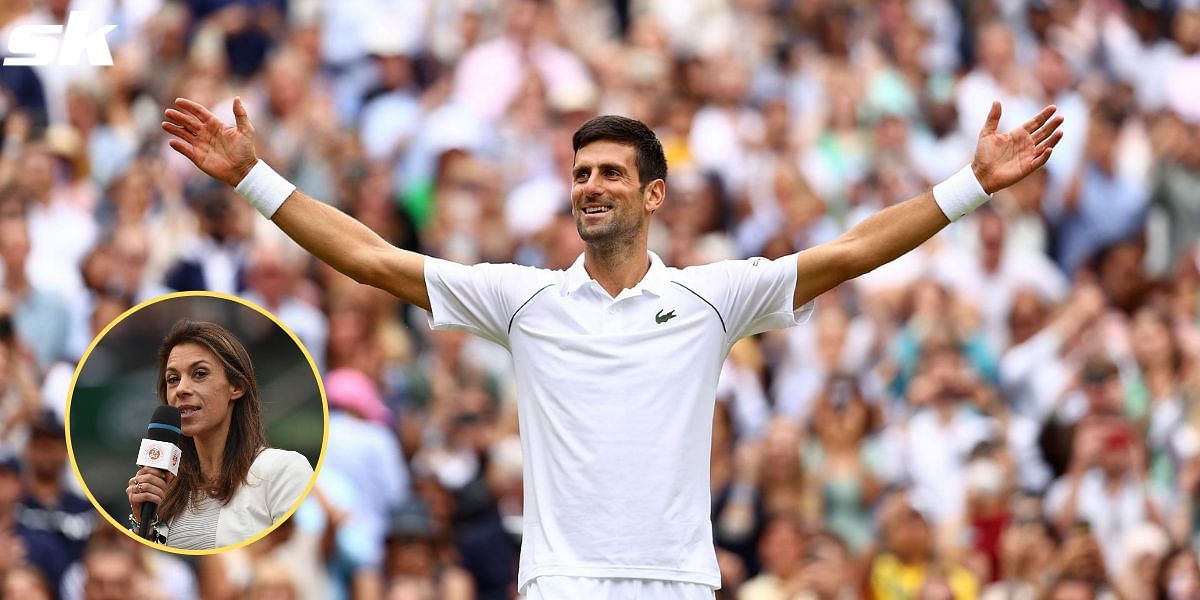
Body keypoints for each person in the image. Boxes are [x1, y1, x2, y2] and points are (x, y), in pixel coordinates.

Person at [161, 93, 1062, 598]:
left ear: (654, 195)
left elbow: (852, 250)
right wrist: (254, 177)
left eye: (610, 174)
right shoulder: (524, 302)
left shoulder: (715, 296)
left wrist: (971, 187)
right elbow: (371, 258)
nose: (590, 186)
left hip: (677, 582)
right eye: (581, 173)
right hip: (560, 583)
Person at [125, 319, 314, 550]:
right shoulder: (167, 490)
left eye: (200, 373)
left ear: (236, 387)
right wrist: (141, 522)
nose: (181, 389)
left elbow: (295, 562)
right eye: (173, 379)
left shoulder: (284, 470)